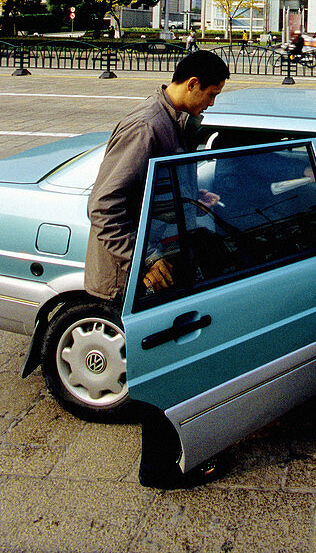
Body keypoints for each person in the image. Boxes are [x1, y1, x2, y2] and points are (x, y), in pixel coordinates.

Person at [84, 50, 230, 489]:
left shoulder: (175, 122)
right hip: (133, 273)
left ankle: (166, 460)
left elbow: (154, 188)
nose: (212, 103)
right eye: (211, 94)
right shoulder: (147, 125)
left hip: (158, 261)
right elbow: (105, 207)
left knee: (165, 363)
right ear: (191, 84)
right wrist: (144, 261)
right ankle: (159, 470)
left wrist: (192, 198)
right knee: (162, 366)